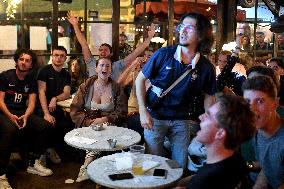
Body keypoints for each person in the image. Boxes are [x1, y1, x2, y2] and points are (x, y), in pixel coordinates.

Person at [135, 13, 216, 168]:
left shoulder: (206, 68)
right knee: (154, 164)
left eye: (189, 27)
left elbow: (209, 97)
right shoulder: (163, 54)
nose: (182, 31)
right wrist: (142, 111)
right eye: (181, 26)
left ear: (201, 35)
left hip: (182, 119)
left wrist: (210, 122)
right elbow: (140, 79)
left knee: (180, 165)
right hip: (154, 117)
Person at [175, 94, 256, 189]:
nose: (201, 117)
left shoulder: (206, 179)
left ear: (220, 133)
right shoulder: (236, 160)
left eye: (208, 116)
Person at [0, 49, 54, 189]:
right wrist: (10, 116)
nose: (23, 62)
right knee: (10, 130)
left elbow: (31, 102)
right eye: (21, 59)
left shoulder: (31, 80)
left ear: (31, 65)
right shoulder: (6, 76)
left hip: (22, 113)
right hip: (4, 112)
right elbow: (0, 101)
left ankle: (33, 163)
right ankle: (1, 174)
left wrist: (26, 116)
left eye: (27, 60)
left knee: (45, 126)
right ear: (17, 61)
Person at [70, 57, 127, 182]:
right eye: (101, 65)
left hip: (111, 124)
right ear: (96, 68)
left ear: (111, 70)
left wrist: (106, 119)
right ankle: (89, 167)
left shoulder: (117, 88)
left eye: (108, 66)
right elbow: (75, 110)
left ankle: (88, 165)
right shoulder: (85, 86)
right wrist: (89, 122)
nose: (104, 68)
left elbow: (122, 111)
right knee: (94, 133)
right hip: (87, 124)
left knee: (105, 133)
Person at [67, 12, 155, 81]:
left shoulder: (117, 66)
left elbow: (135, 53)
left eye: (106, 50)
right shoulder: (92, 63)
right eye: (101, 50)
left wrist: (149, 38)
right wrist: (75, 25)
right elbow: (84, 45)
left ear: (111, 53)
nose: (103, 51)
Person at [242, 76, 284, 189]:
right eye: (247, 102)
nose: (252, 109)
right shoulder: (258, 131)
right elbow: (267, 168)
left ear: (275, 103)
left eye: (259, 101)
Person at [37, 46, 72, 164]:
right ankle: (45, 153)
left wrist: (55, 98)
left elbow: (66, 93)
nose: (59, 58)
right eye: (56, 55)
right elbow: (41, 91)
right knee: (50, 122)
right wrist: (46, 113)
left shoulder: (66, 74)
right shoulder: (44, 71)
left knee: (67, 124)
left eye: (62, 56)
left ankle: (56, 150)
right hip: (41, 107)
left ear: (65, 59)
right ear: (52, 57)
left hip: (56, 106)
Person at [118, 48, 154, 144]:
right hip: (132, 113)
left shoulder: (157, 75)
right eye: (144, 56)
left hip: (149, 115)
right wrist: (133, 64)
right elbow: (119, 85)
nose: (146, 59)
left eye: (150, 56)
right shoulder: (136, 74)